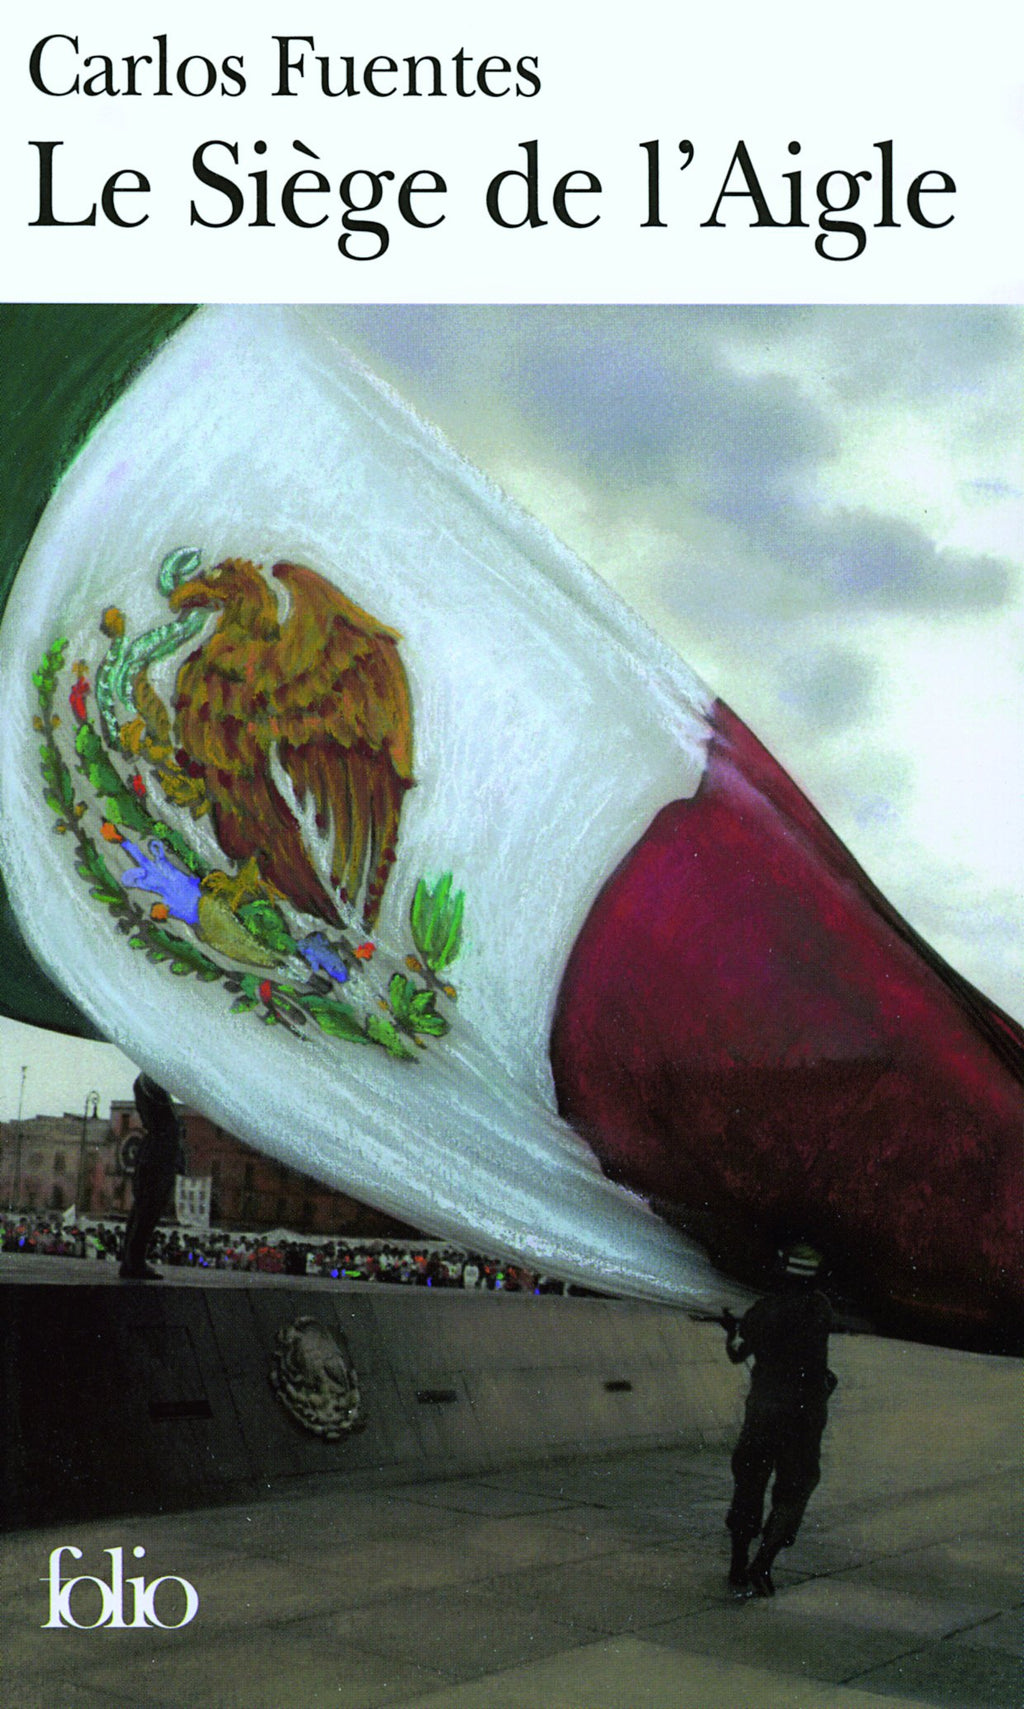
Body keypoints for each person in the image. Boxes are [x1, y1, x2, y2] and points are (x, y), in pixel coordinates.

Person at [722, 1241, 837, 1597]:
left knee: (749, 1482)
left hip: (764, 1408)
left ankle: (738, 1563)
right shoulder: (820, 1308)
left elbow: (737, 1353)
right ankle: (763, 1563)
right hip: (804, 1413)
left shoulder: (764, 1309)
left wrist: (731, 1330)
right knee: (796, 1486)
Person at [119, 1074, 184, 1280]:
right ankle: (135, 1262)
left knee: (144, 1207)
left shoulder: (144, 1082)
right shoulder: (149, 1081)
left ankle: (131, 1261)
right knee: (150, 1207)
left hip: (156, 1148)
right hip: (160, 1151)